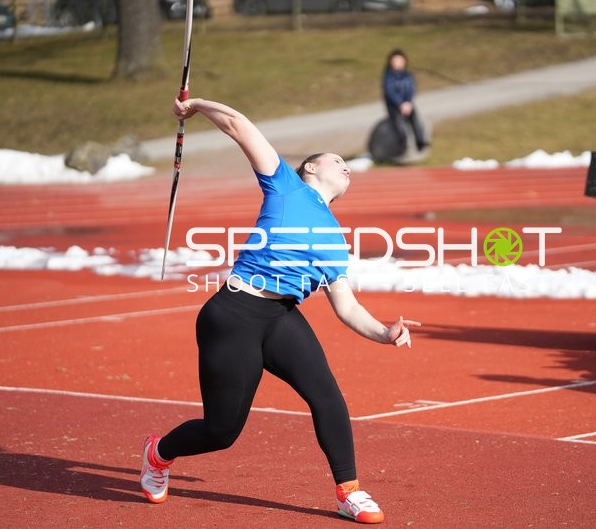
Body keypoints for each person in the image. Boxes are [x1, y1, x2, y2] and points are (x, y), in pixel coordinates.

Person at [140, 96, 420, 524]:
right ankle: (159, 454)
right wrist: (195, 105)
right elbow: (237, 124)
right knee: (221, 432)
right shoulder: (286, 184)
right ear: (311, 168)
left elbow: (347, 306)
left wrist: (385, 332)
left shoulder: (334, 239)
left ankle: (349, 492)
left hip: (282, 319)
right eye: (337, 160)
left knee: (327, 397)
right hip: (233, 314)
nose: (347, 167)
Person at [382, 48, 429, 153]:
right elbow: (389, 91)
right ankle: (402, 142)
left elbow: (411, 89)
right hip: (394, 106)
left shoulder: (407, 75)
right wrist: (399, 103)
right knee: (398, 122)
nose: (398, 63)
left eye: (400, 61)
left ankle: (420, 141)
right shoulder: (388, 76)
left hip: (407, 104)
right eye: (395, 61)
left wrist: (408, 102)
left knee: (415, 119)